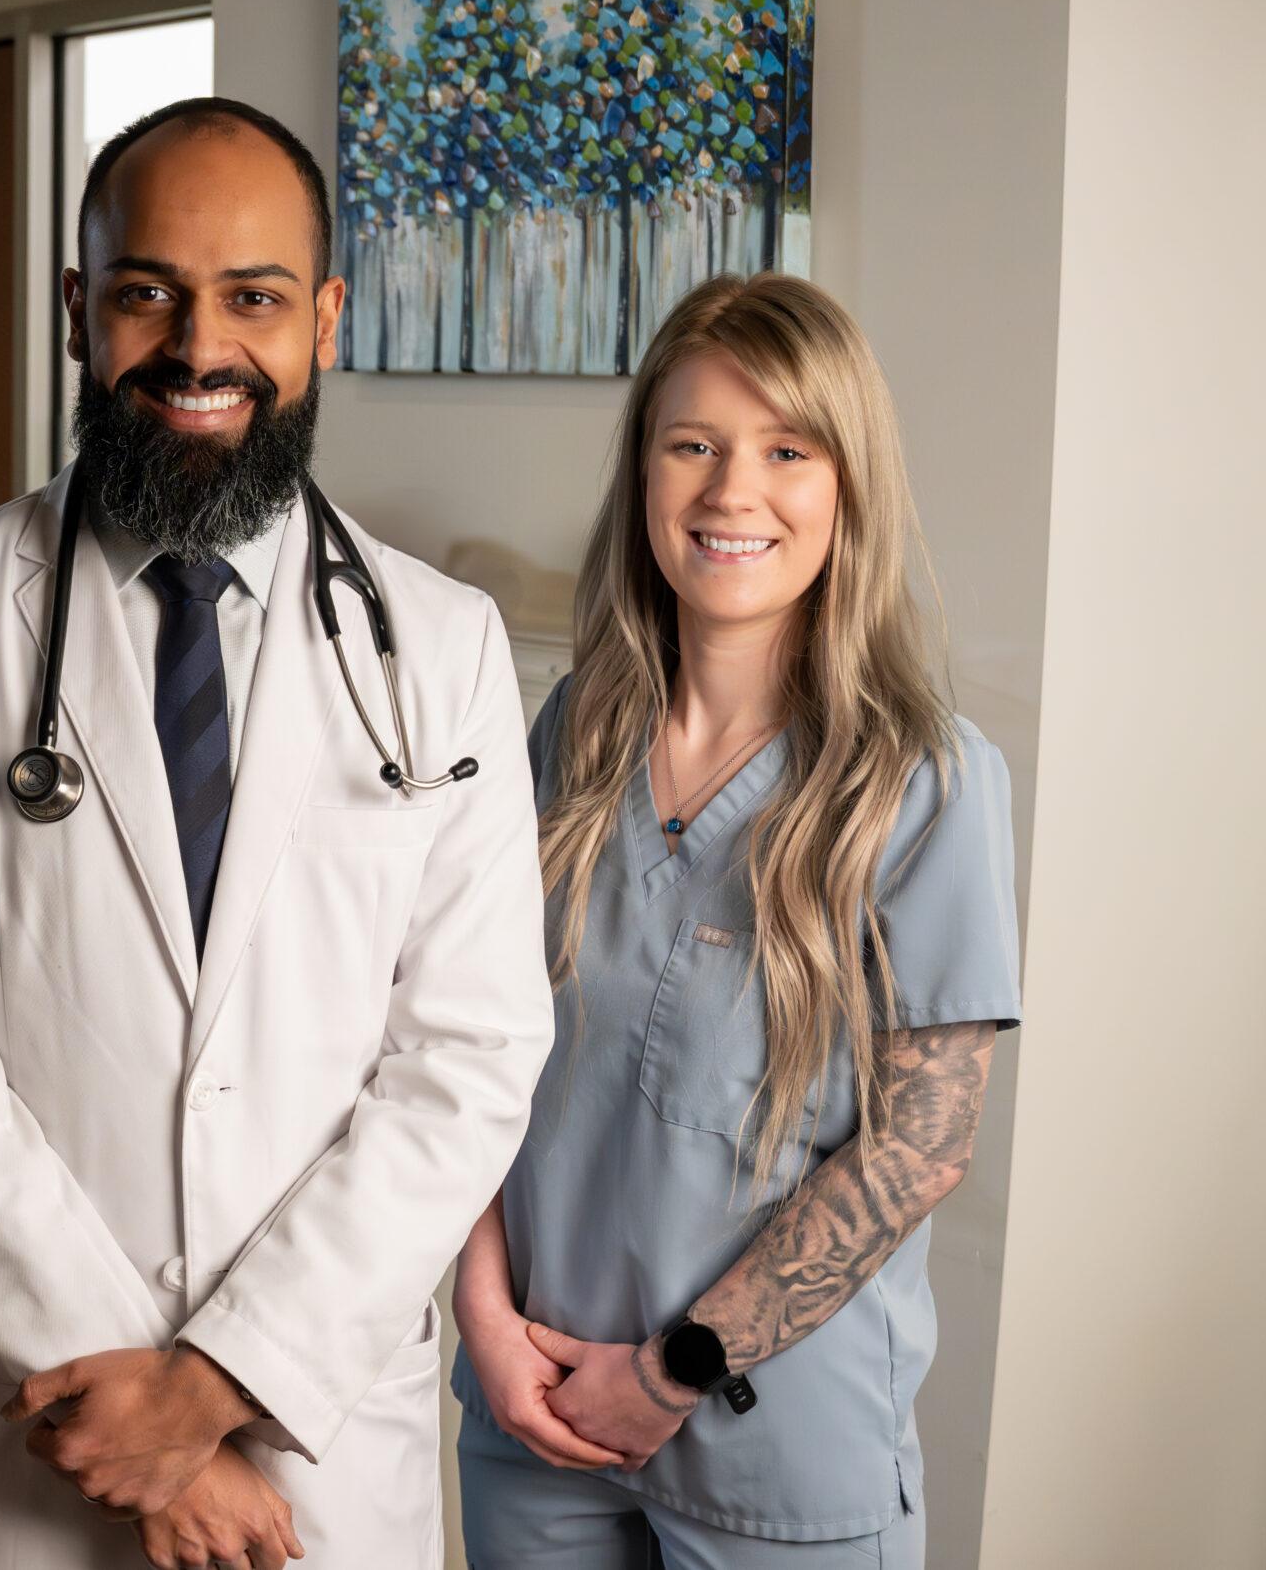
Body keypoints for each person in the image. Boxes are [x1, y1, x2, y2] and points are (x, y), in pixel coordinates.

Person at [0, 97, 554, 1569]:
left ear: (323, 319)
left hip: (310, 1439)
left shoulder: (443, 644)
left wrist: (216, 1386)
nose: (199, 346)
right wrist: (141, 1429)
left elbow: (468, 1057)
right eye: (148, 291)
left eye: (253, 298)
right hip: (31, 1422)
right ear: (78, 308)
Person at [451, 275, 1022, 1568]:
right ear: (644, 470)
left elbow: (922, 1145)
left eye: (786, 451)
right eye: (693, 445)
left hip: (775, 1451)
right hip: (535, 1413)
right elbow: (464, 1041)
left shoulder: (923, 783)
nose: (731, 492)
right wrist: (480, 1309)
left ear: (849, 485)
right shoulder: (571, 732)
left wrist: (672, 1371)